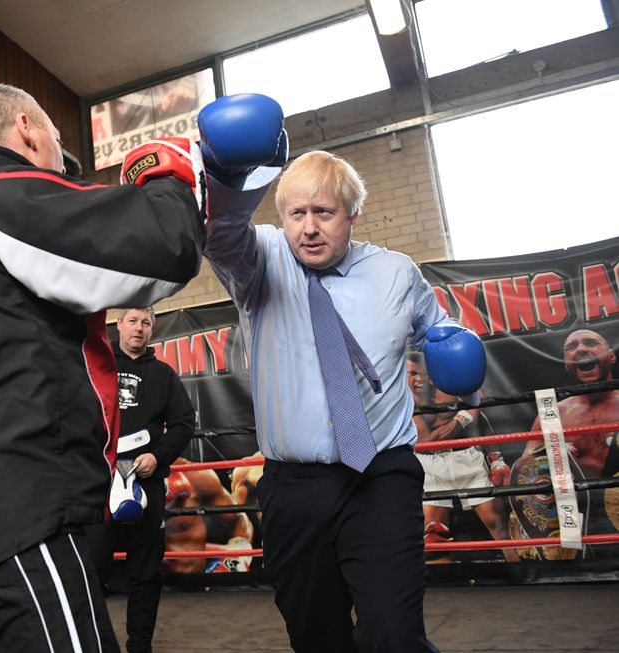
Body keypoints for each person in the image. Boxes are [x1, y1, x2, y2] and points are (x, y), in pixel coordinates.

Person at [0, 83, 207, 653]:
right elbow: (159, 250)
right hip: (18, 516)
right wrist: (168, 178)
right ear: (26, 129)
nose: (64, 162)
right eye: (58, 141)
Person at [200, 93, 487, 653]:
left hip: (380, 476)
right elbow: (222, 233)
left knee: (393, 634)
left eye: (324, 213)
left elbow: (440, 329)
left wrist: (461, 365)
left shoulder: (396, 273)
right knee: (317, 636)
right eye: (296, 214)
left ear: (352, 215)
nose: (308, 229)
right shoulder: (260, 259)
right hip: (295, 486)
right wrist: (226, 177)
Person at [86, 307, 195, 653]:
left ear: (152, 329)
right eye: (132, 321)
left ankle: (140, 647)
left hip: (145, 482)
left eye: (146, 323)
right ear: (118, 324)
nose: (139, 328)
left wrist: (158, 456)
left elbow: (182, 424)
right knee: (90, 572)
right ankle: (91, 645)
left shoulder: (162, 375)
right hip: (99, 486)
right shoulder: (96, 365)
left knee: (146, 573)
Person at [407, 353, 519, 563]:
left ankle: (524, 576)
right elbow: (427, 441)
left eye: (421, 372)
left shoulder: (454, 389)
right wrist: (464, 416)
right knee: (434, 535)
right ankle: (445, 583)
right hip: (431, 467)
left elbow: (481, 420)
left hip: (466, 457)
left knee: (499, 528)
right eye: (412, 373)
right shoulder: (405, 402)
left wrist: (496, 458)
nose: (418, 379)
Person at [523, 328, 619, 478]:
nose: (581, 349)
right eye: (572, 347)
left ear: (611, 356)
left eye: (591, 343)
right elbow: (525, 470)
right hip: (578, 499)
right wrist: (549, 455)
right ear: (567, 364)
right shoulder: (554, 413)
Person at [163, 462, 254, 574]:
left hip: (196, 580)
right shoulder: (136, 481)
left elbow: (239, 519)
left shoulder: (196, 478)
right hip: (147, 582)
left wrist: (236, 559)